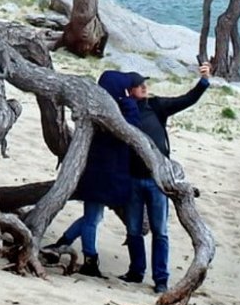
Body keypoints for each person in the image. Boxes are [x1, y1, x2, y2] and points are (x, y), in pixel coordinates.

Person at [121, 62, 211, 293]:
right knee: (133, 230)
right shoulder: (120, 110)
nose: (143, 87)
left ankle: (161, 279)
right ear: (128, 90)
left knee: (160, 232)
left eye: (144, 83)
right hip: (131, 177)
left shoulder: (156, 105)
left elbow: (186, 100)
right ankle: (136, 272)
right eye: (138, 84)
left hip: (158, 181)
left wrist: (203, 82)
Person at [42, 70, 139, 278]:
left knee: (92, 217)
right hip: (104, 175)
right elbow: (132, 127)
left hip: (98, 174)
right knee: (93, 219)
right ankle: (90, 259)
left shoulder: (97, 108)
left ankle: (62, 243)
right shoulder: (116, 111)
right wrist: (129, 102)